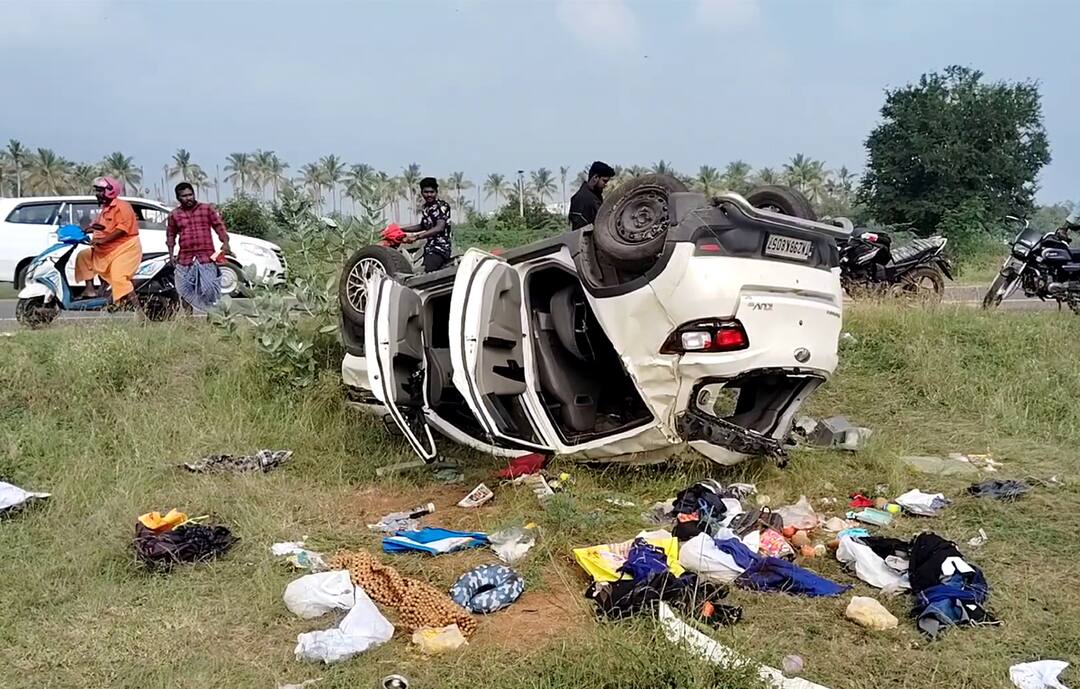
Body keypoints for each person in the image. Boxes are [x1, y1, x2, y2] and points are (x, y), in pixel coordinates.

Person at [76, 177, 142, 308]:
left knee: (119, 278)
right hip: (106, 249)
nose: (97, 194)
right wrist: (88, 229)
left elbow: (122, 229)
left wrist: (103, 240)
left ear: (110, 191)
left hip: (125, 249)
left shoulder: (122, 206)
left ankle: (139, 312)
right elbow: (102, 226)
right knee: (83, 257)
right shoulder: (105, 209)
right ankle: (90, 290)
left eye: (100, 191)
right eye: (97, 191)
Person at [166, 182, 231, 312]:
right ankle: (188, 319)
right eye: (184, 196)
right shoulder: (174, 215)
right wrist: (171, 254)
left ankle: (212, 316)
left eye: (190, 194)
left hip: (206, 256)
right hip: (186, 257)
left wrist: (225, 242)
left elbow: (219, 226)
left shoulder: (206, 209)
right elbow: (170, 235)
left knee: (210, 288)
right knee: (184, 289)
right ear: (178, 198)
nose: (188, 198)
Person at [401, 177, 452, 272]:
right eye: (426, 192)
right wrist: (402, 230)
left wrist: (416, 237)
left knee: (424, 272)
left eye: (431, 192)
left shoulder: (442, 206)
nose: (429, 195)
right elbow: (422, 226)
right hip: (428, 248)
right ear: (421, 193)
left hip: (440, 249)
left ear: (436, 192)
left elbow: (439, 228)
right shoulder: (426, 208)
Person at [569, 161, 615, 230]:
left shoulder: (594, 196)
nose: (605, 185)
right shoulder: (583, 199)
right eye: (604, 181)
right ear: (595, 177)